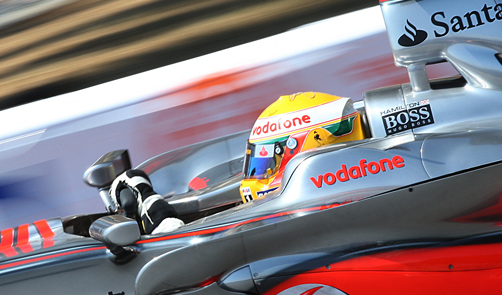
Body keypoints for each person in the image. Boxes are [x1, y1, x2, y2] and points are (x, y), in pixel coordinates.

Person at [109, 91, 368, 234]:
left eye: (267, 160)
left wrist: (154, 209)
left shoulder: (308, 217)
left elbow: (201, 248)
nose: (258, 173)